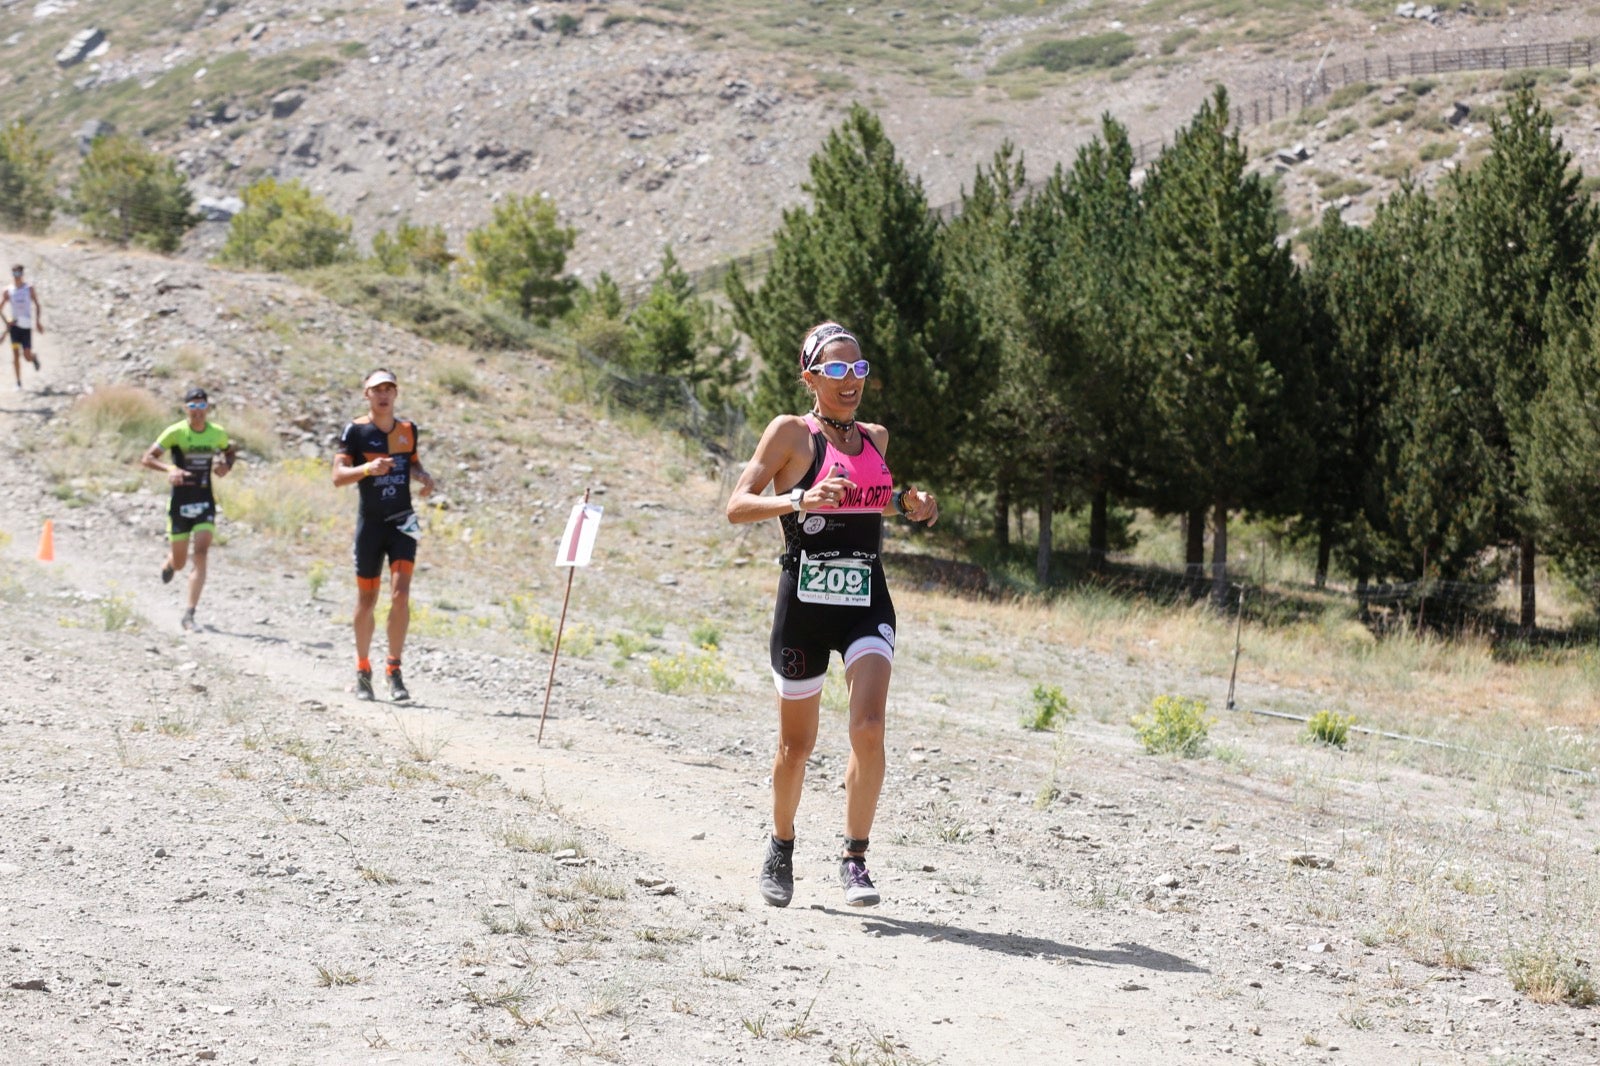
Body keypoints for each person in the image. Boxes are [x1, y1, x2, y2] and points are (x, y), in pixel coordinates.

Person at [725, 321, 938, 909]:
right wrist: (797, 498)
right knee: (797, 746)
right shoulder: (791, 433)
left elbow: (873, 503)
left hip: (866, 597)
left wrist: (911, 504)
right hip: (805, 602)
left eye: (859, 369)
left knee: (868, 729)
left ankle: (855, 858)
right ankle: (781, 844)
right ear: (811, 375)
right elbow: (737, 506)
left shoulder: (876, 437)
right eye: (837, 370)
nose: (851, 381)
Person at [332, 368, 436, 702]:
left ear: (396, 393)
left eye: (389, 388)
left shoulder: (408, 430)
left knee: (401, 595)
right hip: (371, 525)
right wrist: (366, 469)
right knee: (367, 600)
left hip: (404, 521)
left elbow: (413, 463)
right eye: (377, 389)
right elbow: (337, 476)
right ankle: (363, 669)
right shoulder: (356, 431)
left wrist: (424, 477)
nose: (384, 394)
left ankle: (394, 670)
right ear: (367, 394)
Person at [140, 386, 237, 632]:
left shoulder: (217, 433)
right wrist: (170, 470)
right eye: (192, 406)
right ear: (186, 409)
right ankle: (172, 563)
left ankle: (189, 614)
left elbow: (229, 452)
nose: (197, 411)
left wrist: (225, 466)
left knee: (202, 553)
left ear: (208, 408)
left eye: (201, 405)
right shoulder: (176, 432)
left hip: (205, 499)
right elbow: (148, 458)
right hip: (180, 503)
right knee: (182, 561)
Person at [1, 263, 42, 389]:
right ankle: (18, 382)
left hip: (26, 326)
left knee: (27, 355)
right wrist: (6, 322)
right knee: (15, 355)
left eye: (18, 273)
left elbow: (37, 305)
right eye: (14, 273)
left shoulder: (29, 289)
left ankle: (33, 357)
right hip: (14, 326)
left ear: (22, 273)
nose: (16, 275)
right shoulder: (8, 291)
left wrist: (38, 322)